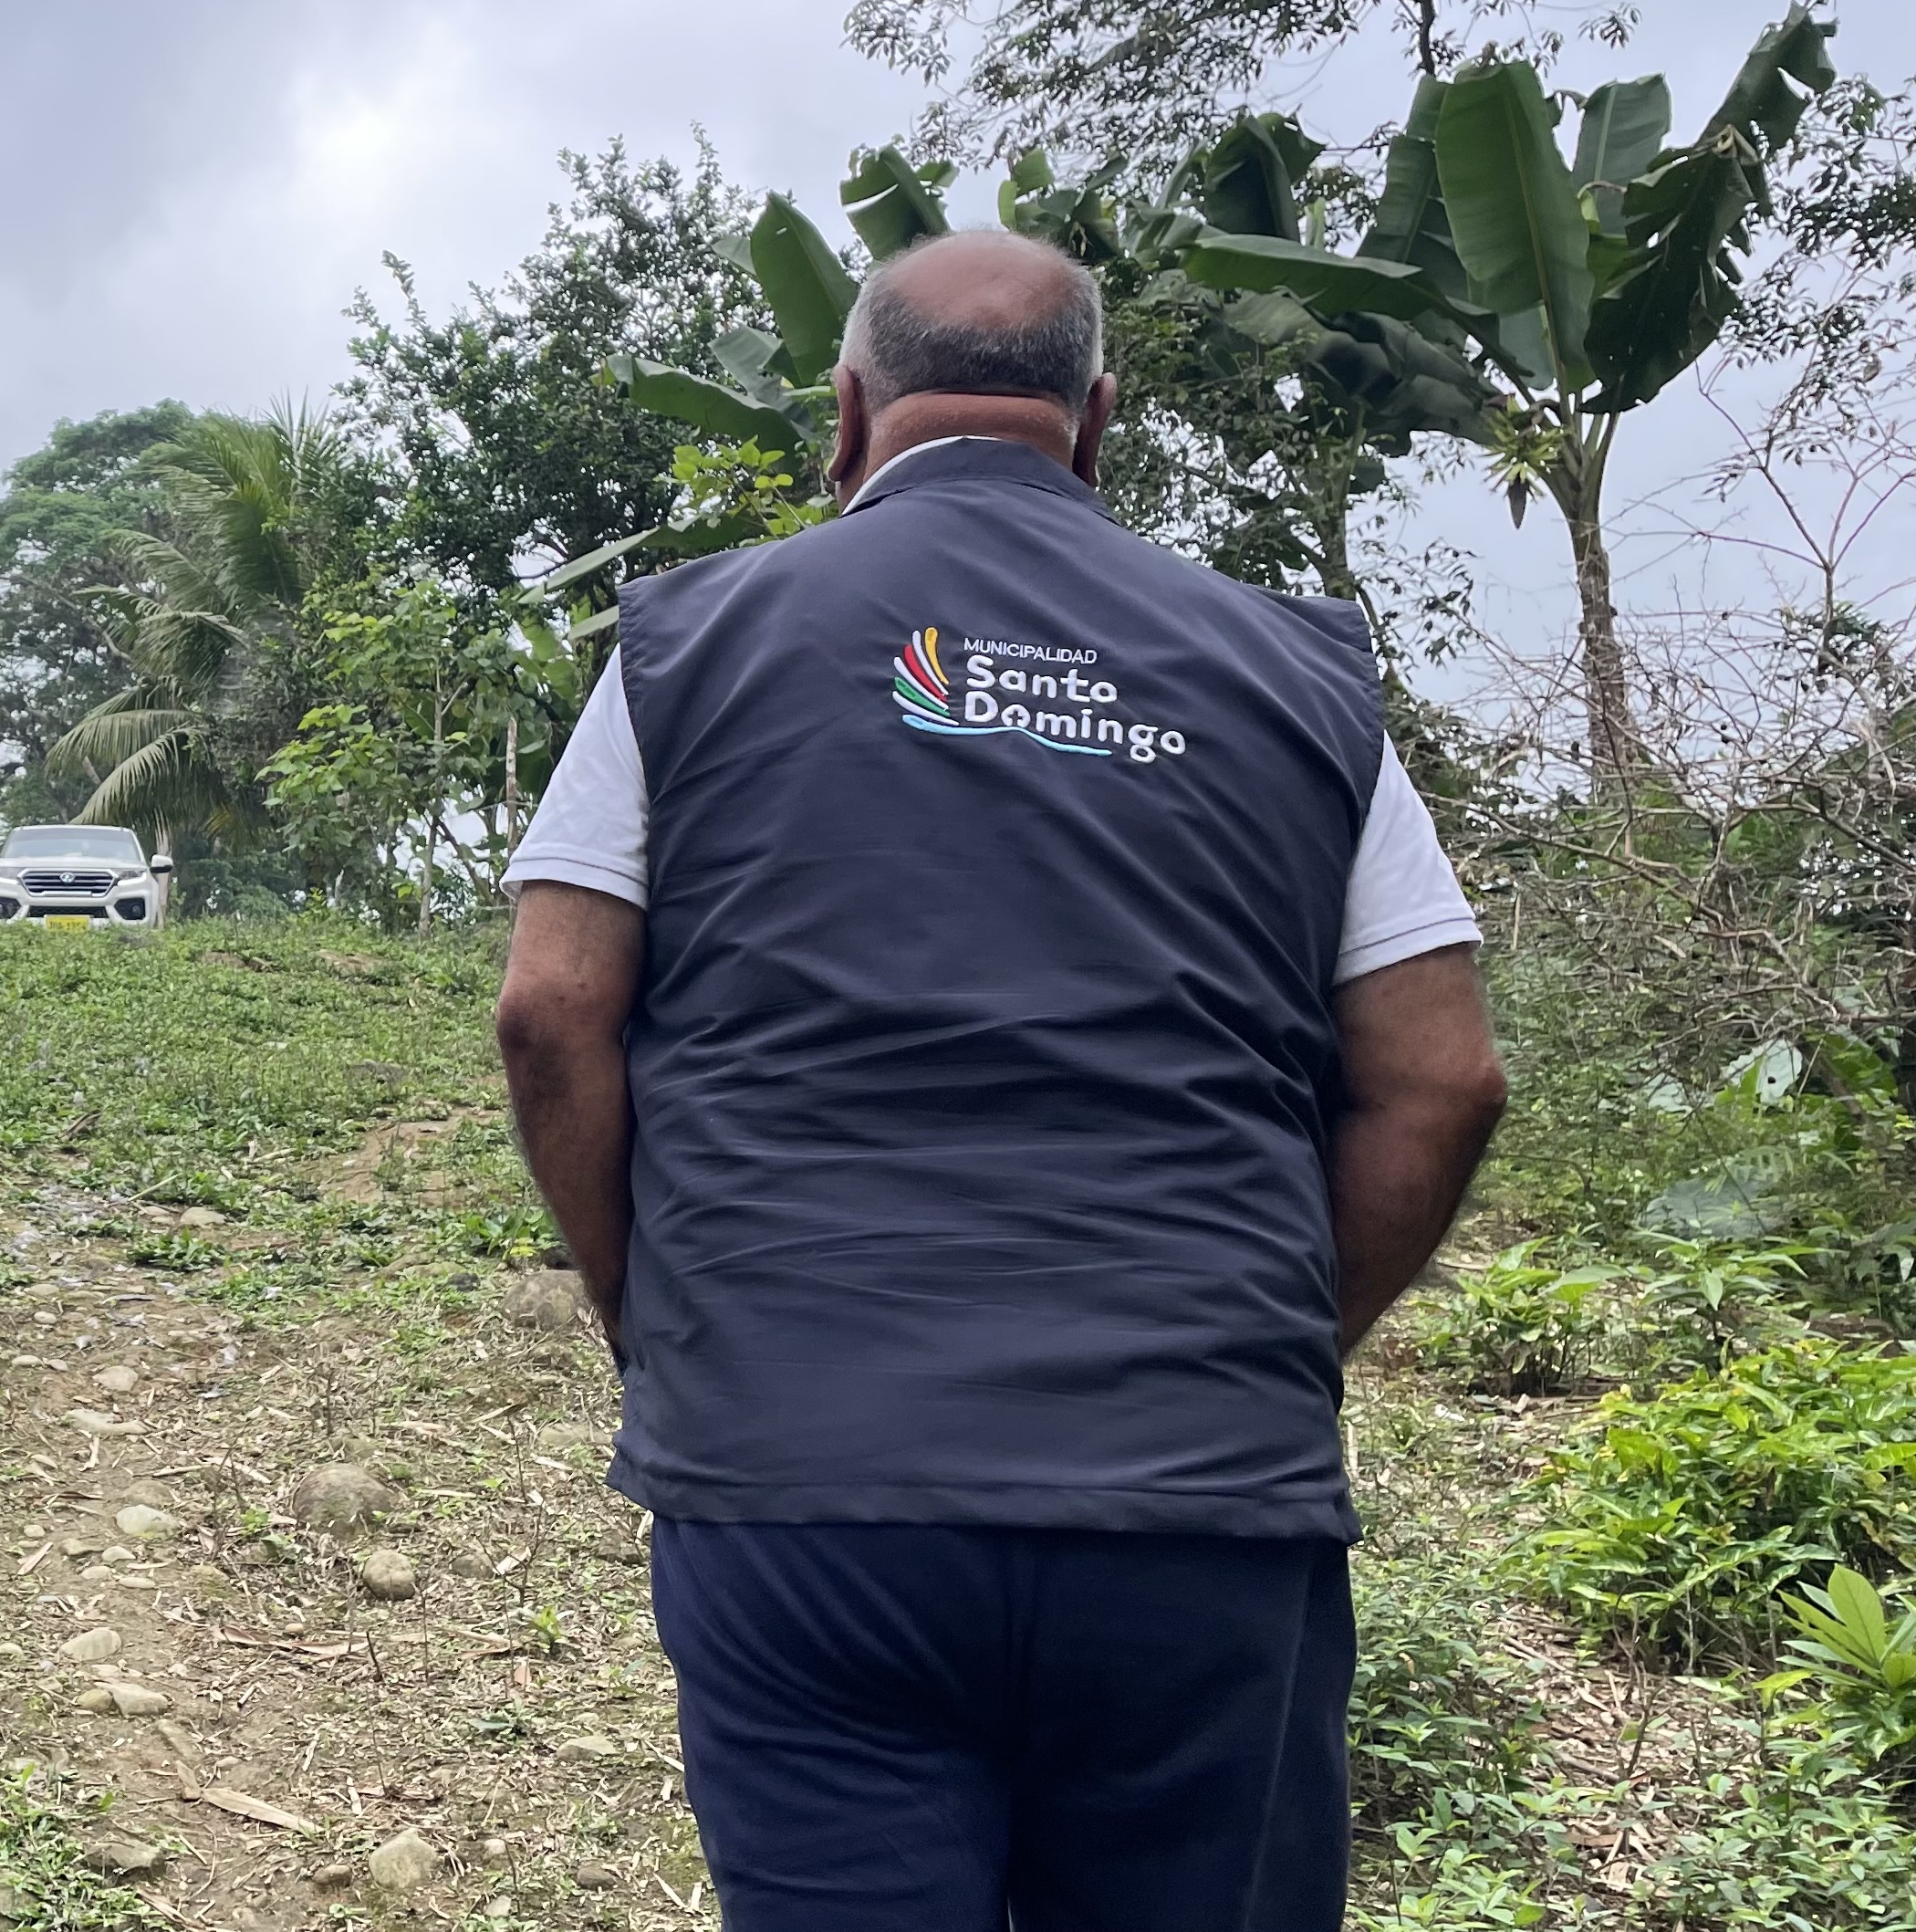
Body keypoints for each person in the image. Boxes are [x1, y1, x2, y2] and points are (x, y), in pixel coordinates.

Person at [494, 229, 1509, 1932]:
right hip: (1199, 1494)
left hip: (805, 1476)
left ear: (846, 414)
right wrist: (1255, 1345)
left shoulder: (690, 641)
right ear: (1096, 421)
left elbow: (550, 1009)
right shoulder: (1295, 672)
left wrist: (656, 1313)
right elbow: (1446, 1076)